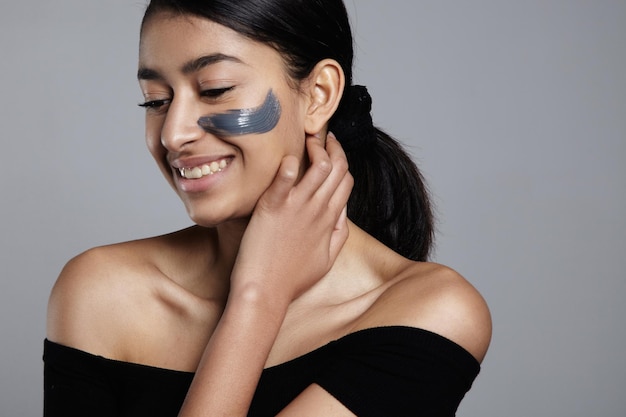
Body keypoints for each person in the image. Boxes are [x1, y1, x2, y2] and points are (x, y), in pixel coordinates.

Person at [43, 0, 492, 416]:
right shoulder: (100, 293)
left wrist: (259, 296)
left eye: (216, 89)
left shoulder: (429, 313)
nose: (172, 134)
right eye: (156, 100)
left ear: (318, 94)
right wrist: (256, 298)